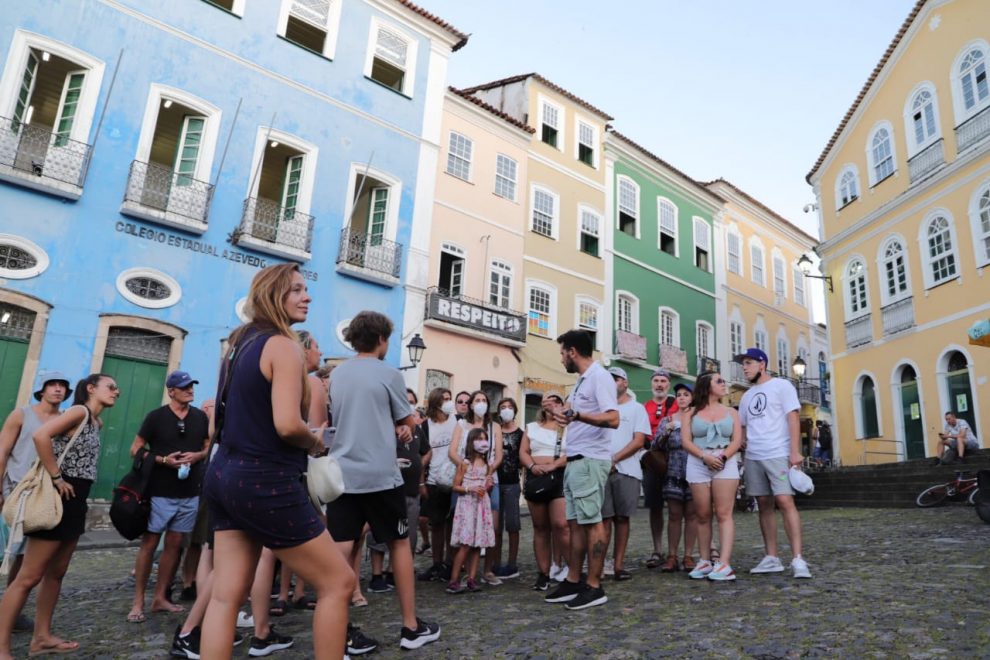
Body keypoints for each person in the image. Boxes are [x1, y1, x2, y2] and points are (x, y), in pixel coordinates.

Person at [200, 264, 353, 659]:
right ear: (273, 294)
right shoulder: (283, 346)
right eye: (297, 289)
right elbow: (287, 425)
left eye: (306, 289)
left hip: (223, 474)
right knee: (338, 581)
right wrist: (314, 442)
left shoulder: (237, 344)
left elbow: (220, 420)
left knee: (224, 596)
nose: (307, 296)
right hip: (264, 478)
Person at [326, 311, 441, 651]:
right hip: (380, 474)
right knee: (399, 544)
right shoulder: (388, 374)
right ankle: (409, 626)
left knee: (340, 550)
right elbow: (408, 418)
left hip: (342, 475)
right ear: (381, 340)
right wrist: (402, 424)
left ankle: (339, 629)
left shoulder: (337, 375)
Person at [0, 373, 119, 658]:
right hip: (57, 498)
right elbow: (40, 435)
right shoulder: (78, 411)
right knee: (28, 577)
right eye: (111, 387)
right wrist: (56, 476)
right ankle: (2, 646)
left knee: (57, 573)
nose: (117, 392)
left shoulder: (94, 421)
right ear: (91, 389)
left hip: (76, 499)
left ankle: (41, 637)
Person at [544, 330, 619, 611]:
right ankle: (574, 580)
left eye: (562, 352)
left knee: (591, 521)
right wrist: (564, 414)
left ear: (572, 352)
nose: (562, 358)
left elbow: (613, 418)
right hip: (576, 460)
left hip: (590, 460)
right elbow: (578, 418)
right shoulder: (581, 382)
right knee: (576, 523)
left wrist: (578, 415)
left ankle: (594, 585)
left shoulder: (599, 377)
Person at [127, 370, 210, 622]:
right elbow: (135, 449)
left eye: (191, 386)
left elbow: (207, 446)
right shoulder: (156, 417)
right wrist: (163, 460)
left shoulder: (199, 417)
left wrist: (197, 456)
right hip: (159, 492)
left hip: (189, 493)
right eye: (184, 387)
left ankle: (160, 597)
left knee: (174, 545)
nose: (190, 390)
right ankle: (138, 601)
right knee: (150, 545)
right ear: (171, 391)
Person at [0, 371, 71, 632]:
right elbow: (3, 450)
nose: (57, 389)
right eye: (52, 385)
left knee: (23, 558)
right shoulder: (21, 415)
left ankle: (11, 612)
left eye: (62, 386)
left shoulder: (65, 420)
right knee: (5, 552)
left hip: (42, 497)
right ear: (41, 390)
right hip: (14, 492)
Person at [735, 348, 812, 579]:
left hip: (778, 452)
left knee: (785, 500)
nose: (745, 368)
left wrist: (795, 451)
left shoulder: (782, 386)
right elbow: (744, 427)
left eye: (749, 363)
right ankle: (772, 557)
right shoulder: (746, 396)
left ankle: (798, 559)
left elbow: (793, 417)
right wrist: (742, 444)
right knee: (763, 504)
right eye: (743, 364)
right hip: (754, 456)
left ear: (762, 364)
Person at [681, 372, 743, 581]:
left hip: (725, 461)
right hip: (698, 462)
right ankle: (705, 560)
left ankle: (724, 563)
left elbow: (737, 440)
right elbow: (686, 441)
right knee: (702, 514)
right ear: (707, 386)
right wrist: (704, 457)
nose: (724, 383)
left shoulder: (731, 412)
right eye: (719, 381)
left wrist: (723, 456)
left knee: (724, 514)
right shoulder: (690, 412)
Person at [447, 390, 503, 585]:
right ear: (471, 404)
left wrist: (488, 473)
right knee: (462, 528)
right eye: (477, 400)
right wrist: (464, 466)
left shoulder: (493, 426)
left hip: (488, 479)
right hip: (466, 481)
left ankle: (484, 572)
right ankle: (455, 572)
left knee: (489, 527)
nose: (480, 403)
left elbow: (498, 456)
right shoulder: (461, 424)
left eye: (484, 400)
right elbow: (452, 451)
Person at [600, 367, 650, 581]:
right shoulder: (601, 408)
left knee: (622, 518)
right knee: (604, 519)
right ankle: (599, 565)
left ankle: (618, 565)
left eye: (616, 379)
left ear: (625, 382)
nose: (612, 383)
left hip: (627, 469)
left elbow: (639, 441)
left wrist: (616, 458)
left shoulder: (637, 408)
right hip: (601, 469)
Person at [520, 394, 569, 590]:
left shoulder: (567, 427)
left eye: (555, 401)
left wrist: (554, 465)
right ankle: (543, 572)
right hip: (537, 476)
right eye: (547, 401)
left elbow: (572, 451)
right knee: (540, 527)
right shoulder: (531, 427)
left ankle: (571, 568)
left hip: (558, 475)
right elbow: (523, 451)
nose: (551, 404)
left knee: (561, 524)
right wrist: (532, 466)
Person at [446, 428, 497, 594]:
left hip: (481, 506)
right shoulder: (464, 463)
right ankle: (453, 580)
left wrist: (488, 485)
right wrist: (470, 488)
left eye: (485, 439)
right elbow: (455, 486)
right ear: (471, 442)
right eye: (479, 439)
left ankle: (471, 578)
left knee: (477, 544)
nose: (482, 442)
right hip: (467, 505)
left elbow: (486, 484)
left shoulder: (488, 465)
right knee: (466, 544)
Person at [657, 383, 699, 573]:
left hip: (694, 470)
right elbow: (656, 445)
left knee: (691, 515)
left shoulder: (698, 418)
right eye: (679, 395)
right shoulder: (668, 419)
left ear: (692, 397)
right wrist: (667, 431)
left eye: (686, 394)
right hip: (673, 470)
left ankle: (688, 555)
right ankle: (672, 555)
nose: (682, 397)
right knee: (674, 515)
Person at [418, 388, 457, 583]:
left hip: (455, 479)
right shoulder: (426, 426)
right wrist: (421, 482)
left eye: (450, 399)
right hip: (434, 480)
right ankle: (436, 562)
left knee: (452, 523)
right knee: (437, 523)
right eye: (444, 399)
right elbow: (421, 455)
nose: (449, 402)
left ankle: (451, 563)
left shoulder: (457, 421)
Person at [641, 369, 677, 569]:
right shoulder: (644, 407)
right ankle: (658, 550)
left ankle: (677, 551)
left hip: (675, 459)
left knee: (680, 507)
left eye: (663, 381)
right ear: (652, 384)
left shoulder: (675, 405)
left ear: (668, 385)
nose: (659, 384)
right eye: (656, 380)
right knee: (655, 507)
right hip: (653, 461)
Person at [492, 397, 523, 579]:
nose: (506, 410)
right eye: (502, 407)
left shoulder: (521, 434)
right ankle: (495, 562)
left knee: (513, 525)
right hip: (495, 482)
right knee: (495, 526)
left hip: (512, 483)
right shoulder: (494, 432)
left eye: (509, 407)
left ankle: (512, 564)